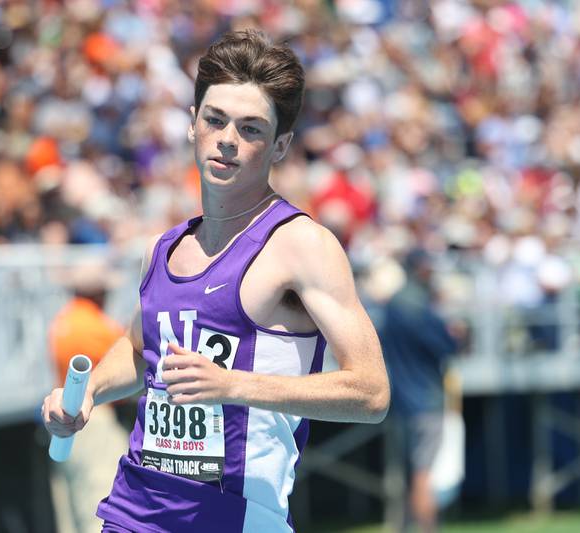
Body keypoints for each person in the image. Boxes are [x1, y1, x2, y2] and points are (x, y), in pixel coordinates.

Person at [42, 29, 390, 533]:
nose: (227, 138)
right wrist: (88, 393)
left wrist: (233, 385)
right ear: (192, 124)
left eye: (251, 128)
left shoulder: (300, 246)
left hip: (235, 518)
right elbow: (142, 349)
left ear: (281, 145)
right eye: (215, 119)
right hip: (133, 510)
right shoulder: (161, 250)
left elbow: (371, 393)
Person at [368, 248, 457, 533]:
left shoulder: (393, 303)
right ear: (420, 269)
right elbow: (448, 347)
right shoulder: (420, 305)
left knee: (409, 473)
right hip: (426, 400)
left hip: (400, 401)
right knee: (423, 475)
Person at [48, 261, 130, 533]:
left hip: (65, 425)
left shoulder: (62, 322)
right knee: (99, 503)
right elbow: (132, 361)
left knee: (70, 512)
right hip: (92, 419)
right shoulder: (96, 327)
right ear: (98, 294)